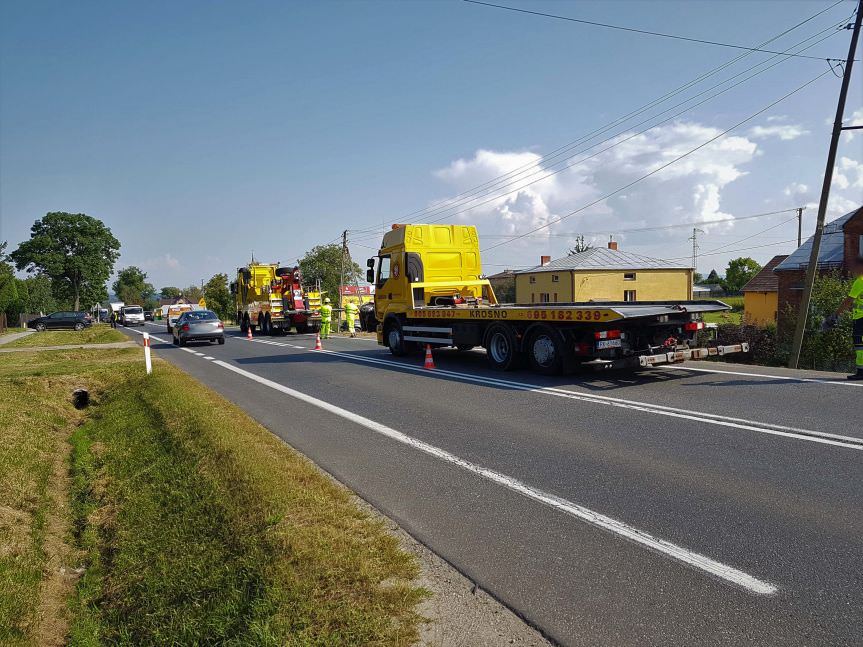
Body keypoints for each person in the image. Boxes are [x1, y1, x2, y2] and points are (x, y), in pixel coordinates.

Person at [835, 257, 863, 380]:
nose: (853, 270)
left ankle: (861, 372)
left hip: (861, 318)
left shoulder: (860, 281)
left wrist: (835, 315)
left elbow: (848, 301)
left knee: (860, 345)